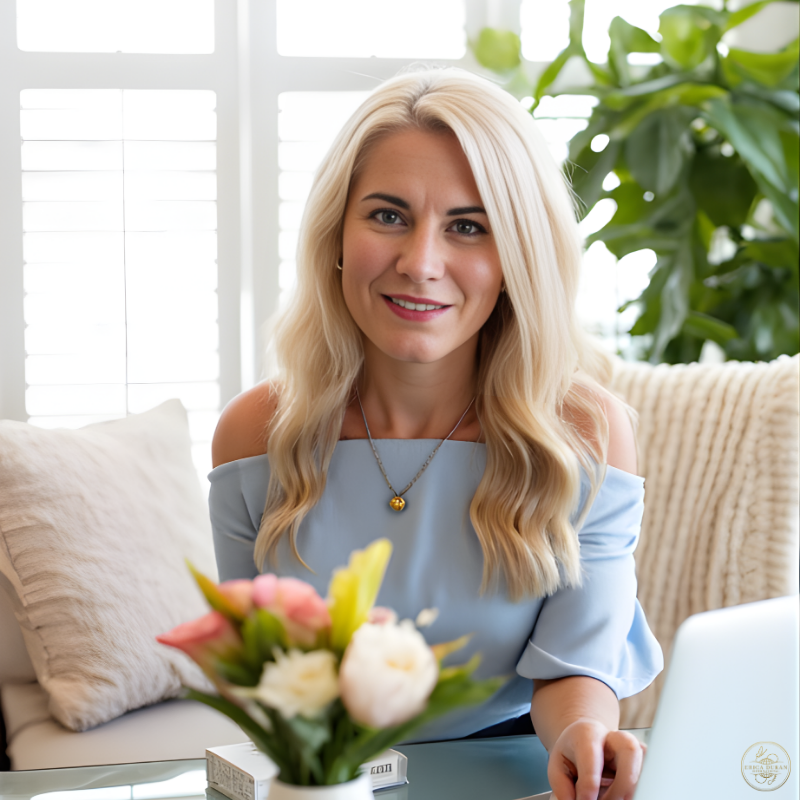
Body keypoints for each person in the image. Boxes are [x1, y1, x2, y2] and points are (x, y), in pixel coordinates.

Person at [210, 68, 663, 800]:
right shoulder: (254, 435)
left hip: (517, 771)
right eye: (387, 216)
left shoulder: (584, 432)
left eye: (468, 226)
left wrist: (583, 734)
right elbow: (261, 682)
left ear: (517, 258)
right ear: (336, 236)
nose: (420, 263)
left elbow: (575, 666)